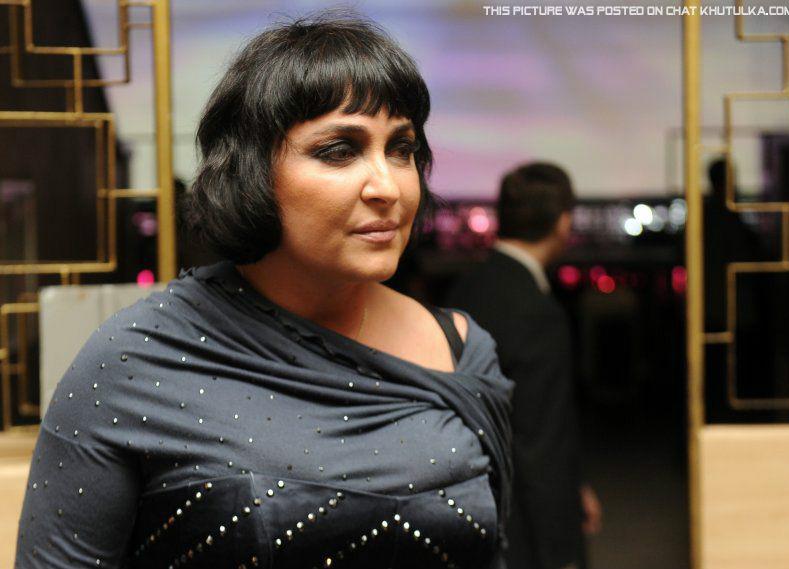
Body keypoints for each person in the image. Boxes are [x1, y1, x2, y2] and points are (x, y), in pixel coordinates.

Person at [15, 14, 513, 569]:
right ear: (251, 170)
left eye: (401, 149)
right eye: (339, 150)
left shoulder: (460, 351)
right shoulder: (133, 362)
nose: (388, 186)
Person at [446, 163, 600, 569]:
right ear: (563, 222)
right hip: (522, 528)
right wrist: (560, 549)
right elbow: (541, 440)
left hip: (466, 501)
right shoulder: (537, 312)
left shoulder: (467, 287)